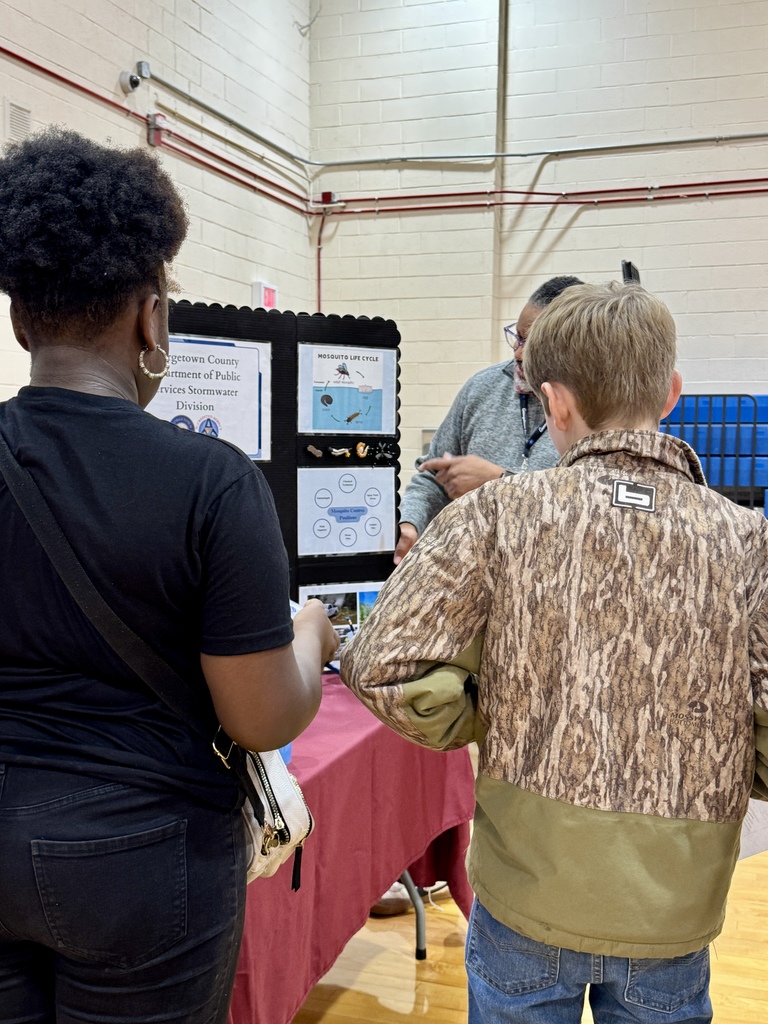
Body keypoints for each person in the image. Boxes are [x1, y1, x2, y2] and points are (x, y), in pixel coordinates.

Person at [342, 282, 768, 1023]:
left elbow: (382, 662)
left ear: (555, 404)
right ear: (671, 394)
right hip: (673, 906)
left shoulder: (496, 516)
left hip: (526, 892)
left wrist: (483, 712)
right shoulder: (745, 540)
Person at [0, 129, 338, 1024]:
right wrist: (310, 634)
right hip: (144, 860)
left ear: (19, 318)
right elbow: (262, 714)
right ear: (152, 316)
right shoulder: (213, 481)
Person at [394, 275, 583, 564]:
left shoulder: (593, 409)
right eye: (518, 337)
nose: (518, 353)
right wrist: (410, 523)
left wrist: (496, 482)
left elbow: (583, 512)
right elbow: (431, 478)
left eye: (532, 343)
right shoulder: (482, 388)